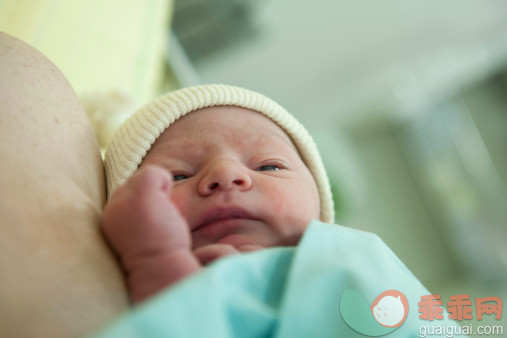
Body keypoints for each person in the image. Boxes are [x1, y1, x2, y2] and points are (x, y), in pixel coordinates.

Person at [101, 84, 335, 304]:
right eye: (178, 177)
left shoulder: (357, 259)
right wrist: (157, 262)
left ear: (322, 209)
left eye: (268, 166)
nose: (224, 174)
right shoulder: (123, 299)